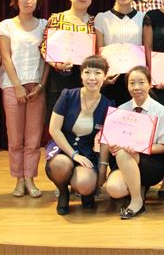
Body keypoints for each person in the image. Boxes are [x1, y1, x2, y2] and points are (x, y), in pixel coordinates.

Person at [0, 0, 49, 198]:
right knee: (15, 138)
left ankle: (30, 178)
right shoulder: (6, 25)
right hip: (13, 86)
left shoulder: (45, 25)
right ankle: (18, 179)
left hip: (37, 86)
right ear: (15, 0)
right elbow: (6, 57)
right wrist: (18, 86)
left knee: (33, 138)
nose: (28, 1)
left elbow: (48, 58)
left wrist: (42, 84)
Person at [45, 55, 112, 215]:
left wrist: (102, 170)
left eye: (97, 73)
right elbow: (54, 129)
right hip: (63, 148)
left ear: (105, 76)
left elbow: (106, 140)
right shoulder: (67, 95)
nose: (92, 78)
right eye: (87, 72)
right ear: (81, 75)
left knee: (85, 184)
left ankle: (85, 192)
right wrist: (73, 155)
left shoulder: (108, 105)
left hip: (87, 152)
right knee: (60, 165)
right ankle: (63, 192)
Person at [105, 66, 164, 219]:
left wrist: (138, 148)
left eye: (141, 82)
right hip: (124, 162)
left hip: (151, 163)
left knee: (124, 153)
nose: (136, 87)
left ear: (149, 84)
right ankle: (139, 188)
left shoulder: (160, 110)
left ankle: (136, 201)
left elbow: (163, 146)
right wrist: (113, 146)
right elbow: (112, 140)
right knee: (114, 189)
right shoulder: (121, 109)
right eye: (132, 83)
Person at [40, 0, 97, 125]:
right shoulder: (57, 18)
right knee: (57, 121)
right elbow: (44, 46)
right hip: (59, 77)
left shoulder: (94, 22)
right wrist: (56, 64)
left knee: (80, 121)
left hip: (85, 78)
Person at [95, 0, 144, 106]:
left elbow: (147, 48)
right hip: (111, 78)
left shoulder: (143, 17)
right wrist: (103, 76)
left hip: (136, 78)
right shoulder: (102, 18)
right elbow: (99, 50)